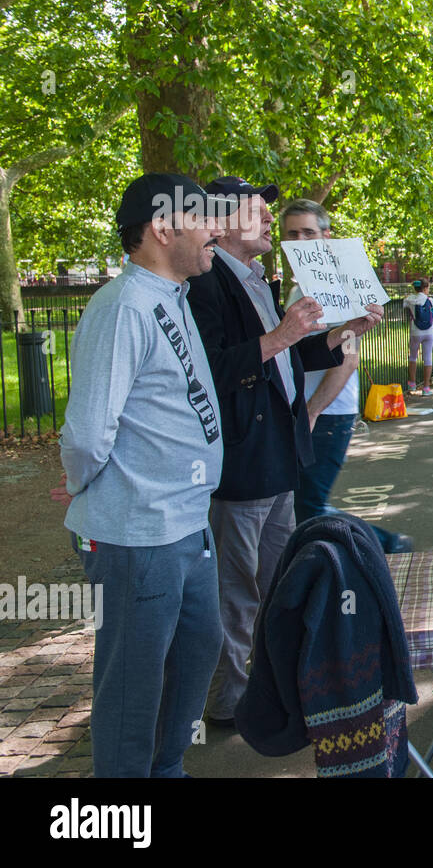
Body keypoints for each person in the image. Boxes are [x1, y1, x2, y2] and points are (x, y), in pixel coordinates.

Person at [187, 176, 383, 727]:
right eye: (259, 210)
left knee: (279, 580)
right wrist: (279, 336)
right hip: (242, 463)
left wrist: (347, 331)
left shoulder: (257, 280)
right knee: (236, 588)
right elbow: (207, 373)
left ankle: (275, 684)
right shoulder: (205, 285)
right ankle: (228, 700)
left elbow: (287, 361)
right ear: (224, 222)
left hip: (279, 456)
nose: (270, 220)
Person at [57, 173, 229, 777]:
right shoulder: (123, 306)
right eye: (204, 218)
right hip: (135, 534)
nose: (216, 229)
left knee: (197, 651)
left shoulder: (170, 297)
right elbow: (86, 433)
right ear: (163, 227)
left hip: (186, 525)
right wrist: (84, 488)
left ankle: (166, 770)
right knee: (132, 688)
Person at [280, 199, 412, 555]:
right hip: (306, 411)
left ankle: (384, 544)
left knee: (309, 505)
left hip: (327, 414)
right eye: (292, 234)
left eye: (308, 232)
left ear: (326, 236)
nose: (301, 240)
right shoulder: (298, 289)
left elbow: (347, 360)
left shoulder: (338, 286)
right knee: (301, 504)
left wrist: (311, 411)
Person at [403, 278, 433, 394]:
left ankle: (412, 383)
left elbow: (404, 304)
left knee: (413, 356)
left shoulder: (410, 300)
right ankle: (426, 387)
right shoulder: (430, 300)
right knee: (427, 357)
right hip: (429, 332)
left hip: (415, 332)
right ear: (425, 288)